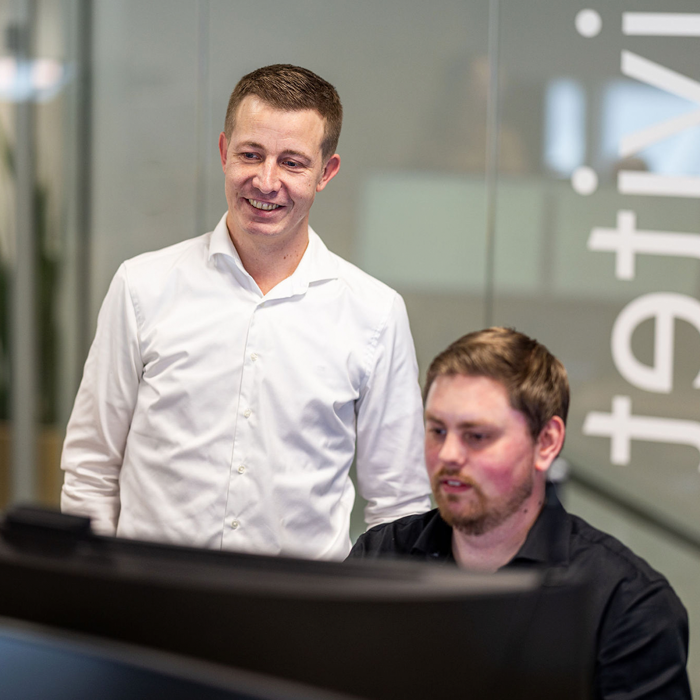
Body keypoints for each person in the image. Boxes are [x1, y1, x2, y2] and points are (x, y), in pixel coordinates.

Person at [60, 64, 430, 560]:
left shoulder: (375, 313)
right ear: (223, 152)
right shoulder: (141, 286)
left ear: (326, 172)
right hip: (149, 594)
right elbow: (91, 468)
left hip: (299, 604)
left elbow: (399, 503)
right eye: (251, 154)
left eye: (292, 162)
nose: (266, 180)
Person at [349, 327, 691, 699]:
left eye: (476, 435)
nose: (447, 455)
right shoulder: (381, 559)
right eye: (437, 430)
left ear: (546, 442)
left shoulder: (626, 605)